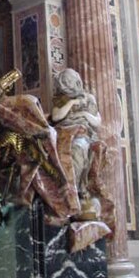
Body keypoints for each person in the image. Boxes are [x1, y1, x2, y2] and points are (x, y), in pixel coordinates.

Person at [51, 68, 101, 207]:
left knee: (79, 153)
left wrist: (84, 115)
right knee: (68, 154)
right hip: (65, 134)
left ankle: (77, 191)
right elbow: (56, 116)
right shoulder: (62, 99)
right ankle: (68, 192)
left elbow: (97, 121)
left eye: (68, 83)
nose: (65, 86)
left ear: (77, 82)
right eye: (63, 84)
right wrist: (71, 103)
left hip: (82, 135)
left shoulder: (89, 98)